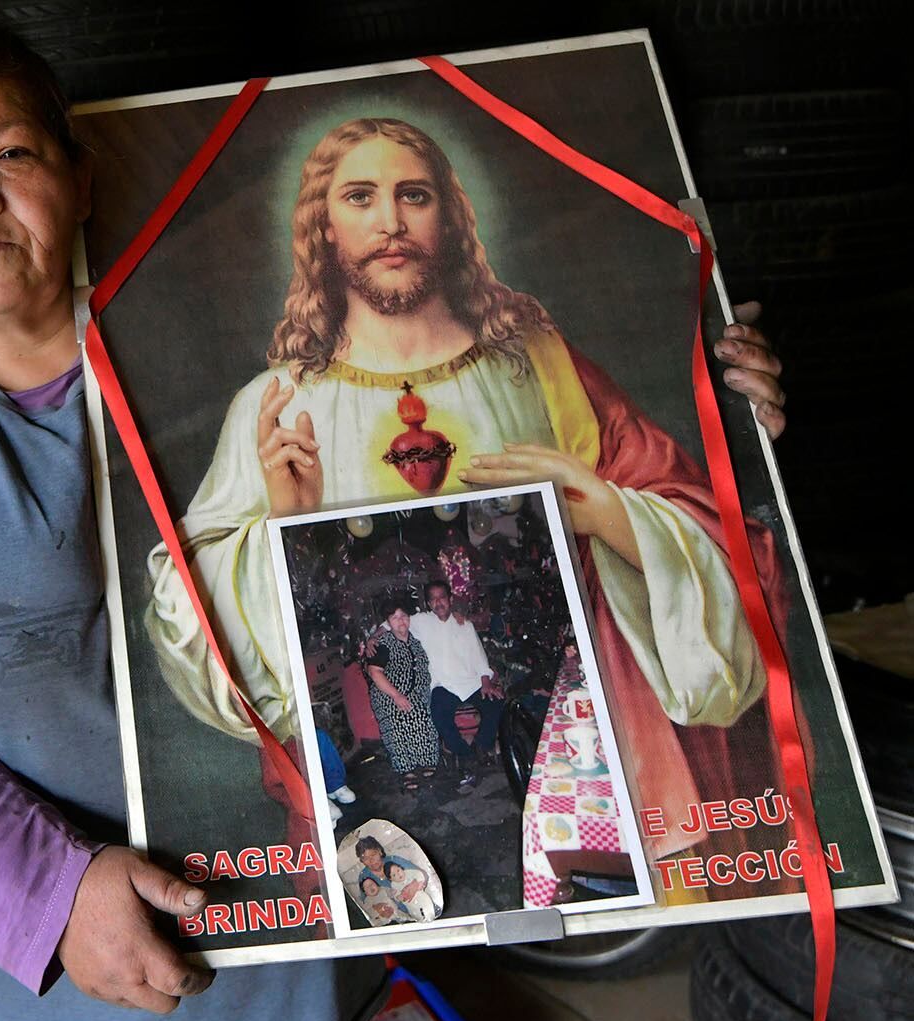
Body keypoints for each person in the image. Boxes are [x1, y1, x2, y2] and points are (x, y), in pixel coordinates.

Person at [0, 19, 365, 1021]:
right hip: (23, 978)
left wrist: (723, 404)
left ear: (78, 181)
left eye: (10, 152)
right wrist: (51, 891)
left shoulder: (243, 386)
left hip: (278, 950)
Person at [141, 116, 793, 886]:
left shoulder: (541, 367)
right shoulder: (276, 406)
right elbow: (191, 622)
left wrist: (610, 515)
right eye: (359, 197)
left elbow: (707, 525)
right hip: (395, 761)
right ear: (322, 226)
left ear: (449, 214)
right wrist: (287, 535)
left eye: (412, 195)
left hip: (578, 751)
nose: (389, 221)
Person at [409, 580, 502, 787]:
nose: (438, 602)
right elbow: (393, 621)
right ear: (428, 603)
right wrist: (374, 638)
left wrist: (486, 683)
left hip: (470, 682)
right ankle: (465, 754)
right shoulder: (421, 622)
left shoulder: (465, 625)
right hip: (444, 685)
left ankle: (481, 746)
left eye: (441, 597)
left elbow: (479, 657)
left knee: (495, 703)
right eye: (432, 599)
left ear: (450, 599)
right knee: (438, 713)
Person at [361, 596, 439, 787]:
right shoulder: (383, 644)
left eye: (404, 616)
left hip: (415, 693)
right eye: (395, 617)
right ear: (388, 622)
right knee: (398, 718)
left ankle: (426, 761)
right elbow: (374, 672)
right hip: (387, 694)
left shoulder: (415, 642)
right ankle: (406, 769)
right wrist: (396, 695)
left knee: (422, 715)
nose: (401, 620)